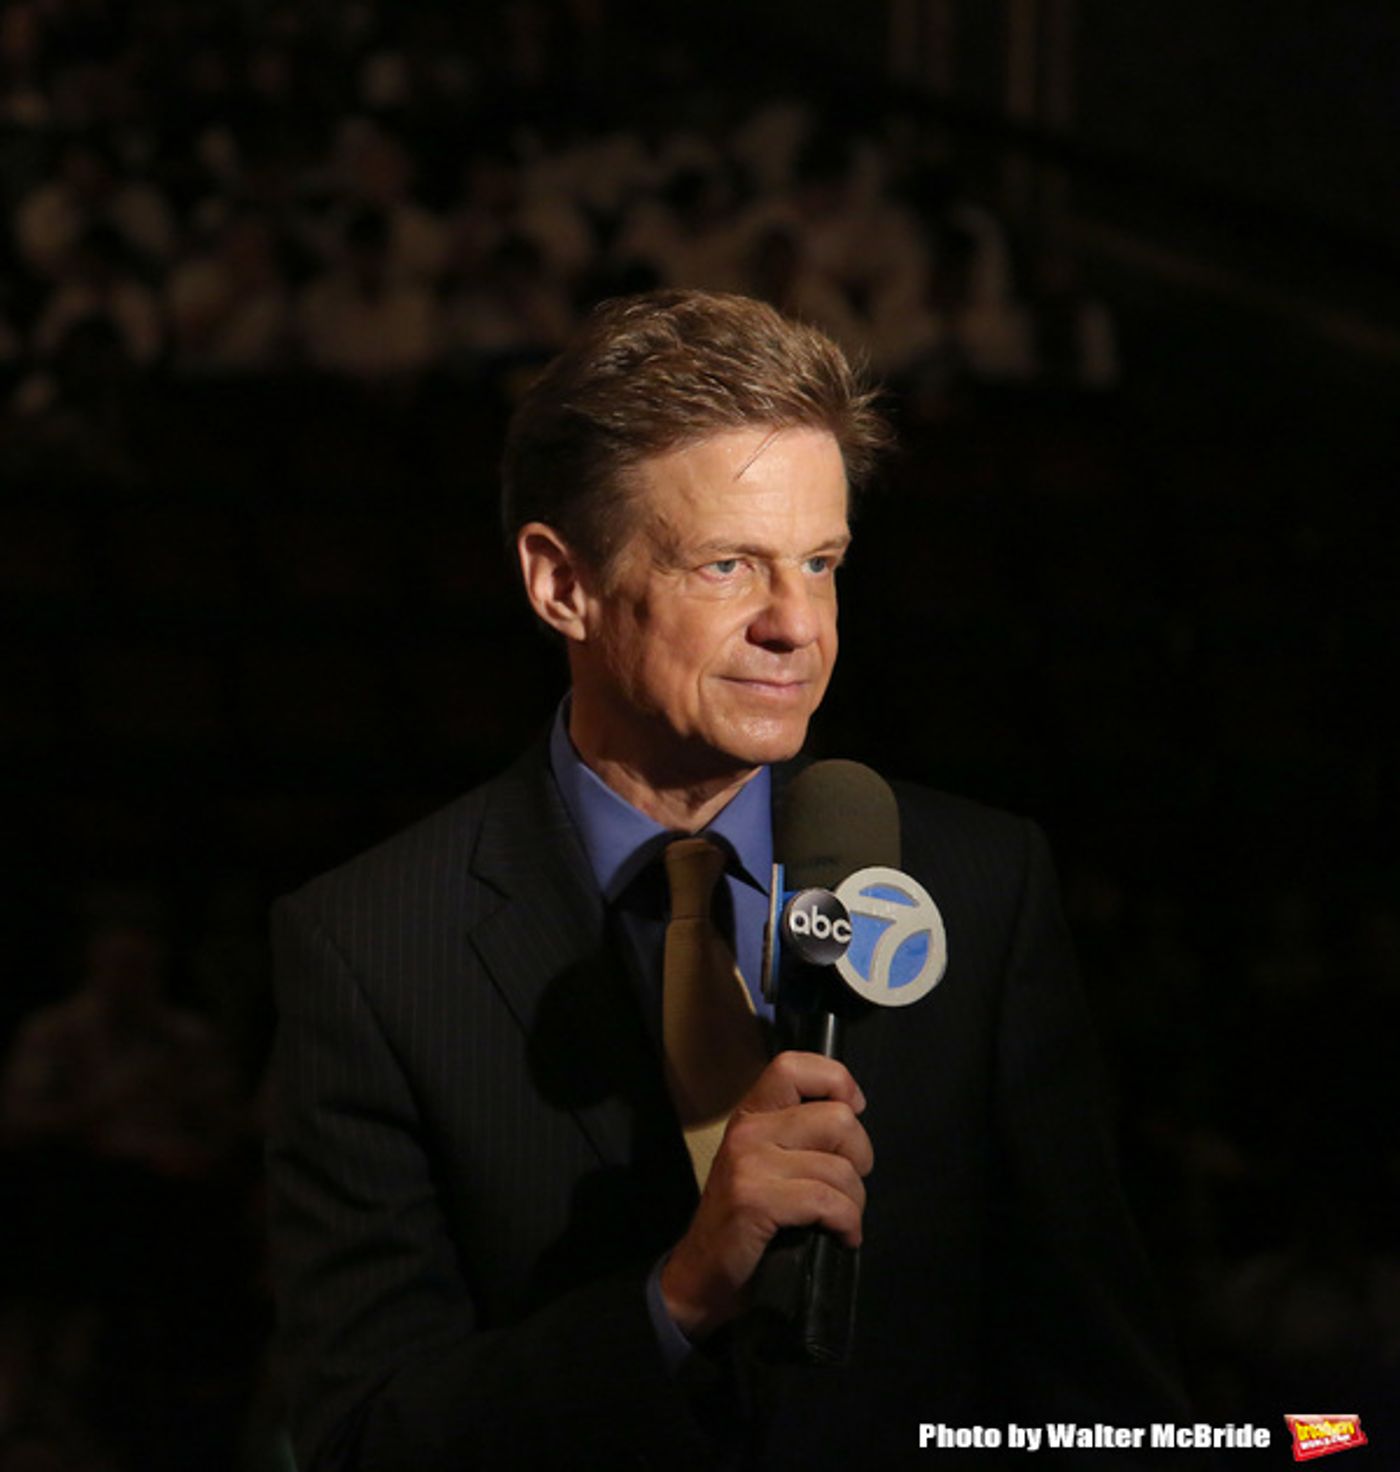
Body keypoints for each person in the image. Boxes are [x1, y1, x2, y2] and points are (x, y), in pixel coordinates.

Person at [267, 289, 1193, 1470]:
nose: (795, 624)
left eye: (820, 561)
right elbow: (363, 1438)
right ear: (561, 585)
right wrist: (681, 1294)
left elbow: (1093, 1386)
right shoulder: (371, 947)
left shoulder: (978, 881)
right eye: (726, 564)